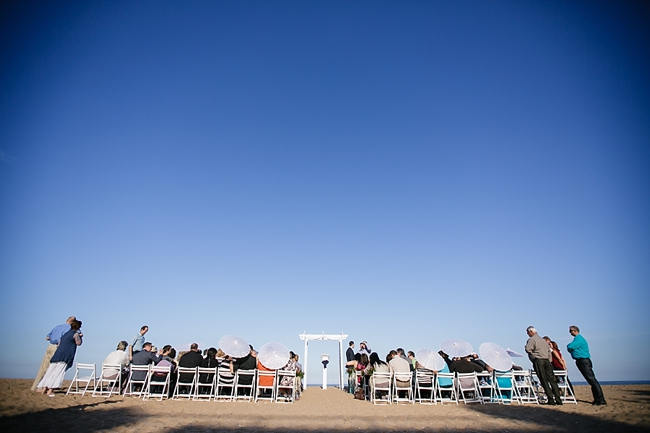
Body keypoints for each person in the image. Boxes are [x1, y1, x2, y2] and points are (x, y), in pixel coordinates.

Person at [36, 319, 83, 396]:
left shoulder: (64, 334)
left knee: (50, 372)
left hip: (57, 355)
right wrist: (81, 337)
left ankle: (44, 388)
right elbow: (78, 343)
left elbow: (59, 344)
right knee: (58, 373)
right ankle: (50, 390)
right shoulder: (75, 334)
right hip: (65, 356)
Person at [31, 316, 76, 391]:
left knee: (43, 368)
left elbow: (47, 337)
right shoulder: (69, 329)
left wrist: (53, 339)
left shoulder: (57, 326)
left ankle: (35, 386)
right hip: (58, 349)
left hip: (50, 347)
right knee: (54, 368)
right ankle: (45, 386)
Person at [567, 325, 606, 405]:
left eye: (571, 331)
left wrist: (570, 348)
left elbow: (570, 346)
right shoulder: (577, 339)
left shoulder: (579, 339)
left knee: (592, 380)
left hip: (583, 361)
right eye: (570, 331)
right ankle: (597, 399)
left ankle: (601, 399)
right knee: (591, 381)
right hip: (581, 360)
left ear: (575, 331)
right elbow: (570, 348)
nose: (570, 332)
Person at [525, 326, 562, 405]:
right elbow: (549, 352)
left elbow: (528, 349)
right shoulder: (543, 340)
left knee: (544, 380)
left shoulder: (532, 340)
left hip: (539, 360)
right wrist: (549, 360)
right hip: (547, 361)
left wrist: (534, 356)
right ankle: (558, 399)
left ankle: (551, 399)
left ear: (531, 332)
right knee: (552, 380)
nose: (527, 334)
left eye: (527, 332)